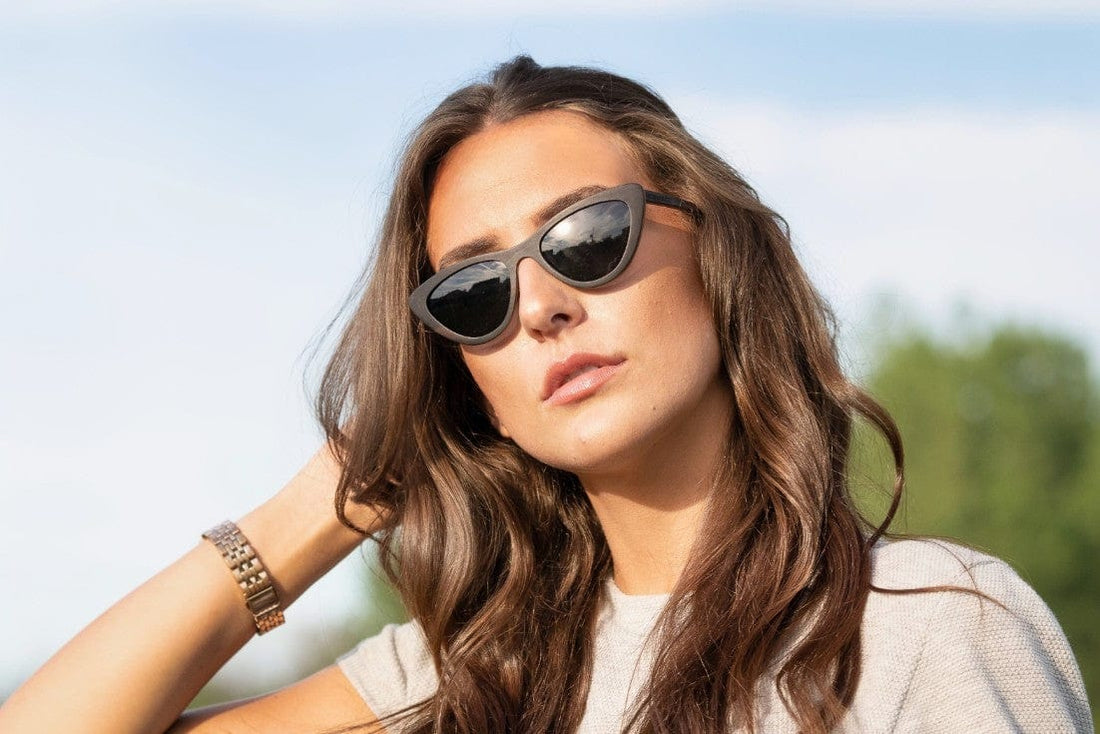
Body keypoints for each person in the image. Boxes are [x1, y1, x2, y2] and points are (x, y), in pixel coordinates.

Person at [0, 56, 1092, 734]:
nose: (537, 306)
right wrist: (323, 508)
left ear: (714, 249)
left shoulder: (923, 625)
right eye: (473, 293)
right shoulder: (470, 676)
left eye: (585, 238)